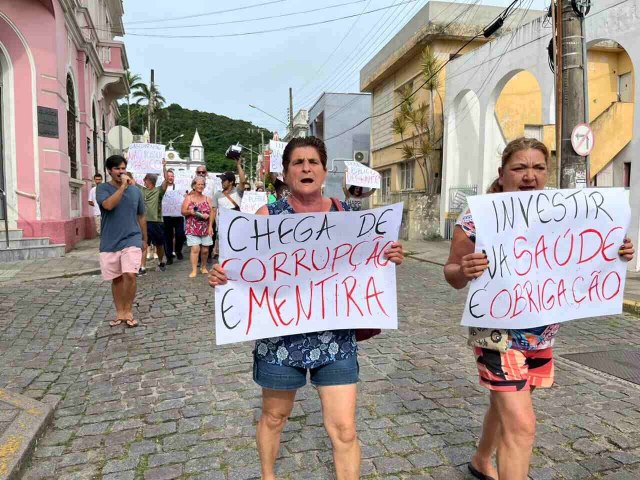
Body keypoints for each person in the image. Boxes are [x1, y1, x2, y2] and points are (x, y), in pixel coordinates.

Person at [207, 136, 405, 480]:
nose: (306, 168)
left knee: (344, 429)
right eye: (297, 163)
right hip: (281, 339)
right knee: (274, 417)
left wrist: (389, 257)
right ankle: (268, 475)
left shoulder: (349, 216)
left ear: (325, 170)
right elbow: (243, 266)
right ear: (285, 173)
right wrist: (224, 275)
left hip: (335, 340)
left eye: (312, 161)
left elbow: (370, 260)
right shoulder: (267, 216)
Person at [443, 137, 636, 480]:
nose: (529, 175)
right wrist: (465, 269)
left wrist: (614, 253)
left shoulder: (561, 212)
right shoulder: (478, 215)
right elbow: (452, 274)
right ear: (502, 174)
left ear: (547, 173)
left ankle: (480, 460)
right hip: (496, 333)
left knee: (505, 406)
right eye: (519, 167)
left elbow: (585, 251)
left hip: (542, 333)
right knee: (522, 425)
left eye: (538, 167)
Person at [96, 155, 146, 328]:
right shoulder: (102, 188)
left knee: (130, 275)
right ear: (110, 171)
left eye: (123, 168)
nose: (121, 171)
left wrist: (144, 238)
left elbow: (141, 215)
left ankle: (129, 311)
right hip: (110, 240)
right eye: (117, 168)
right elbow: (108, 205)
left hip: (132, 237)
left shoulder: (136, 191)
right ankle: (120, 313)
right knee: (117, 278)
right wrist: (123, 187)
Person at [137, 163, 170, 275]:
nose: (143, 180)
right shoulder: (141, 189)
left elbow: (166, 180)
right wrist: (129, 165)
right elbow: (131, 180)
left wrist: (164, 166)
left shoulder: (159, 190)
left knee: (159, 245)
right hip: (143, 221)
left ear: (148, 180)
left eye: (145, 179)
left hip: (156, 222)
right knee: (144, 244)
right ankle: (142, 267)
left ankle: (161, 261)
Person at [211, 161, 246, 258]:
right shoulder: (217, 194)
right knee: (224, 248)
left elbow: (243, 181)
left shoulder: (238, 192)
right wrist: (211, 226)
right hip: (223, 227)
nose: (222, 182)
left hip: (236, 225)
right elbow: (213, 211)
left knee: (236, 246)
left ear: (231, 182)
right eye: (222, 180)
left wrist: (238, 165)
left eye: (224, 180)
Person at [182, 176, 214, 278]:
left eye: (202, 184)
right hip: (192, 227)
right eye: (198, 184)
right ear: (194, 186)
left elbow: (212, 212)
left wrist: (210, 226)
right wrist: (190, 212)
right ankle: (194, 269)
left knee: (205, 250)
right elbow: (183, 211)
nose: (200, 186)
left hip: (205, 227)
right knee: (195, 249)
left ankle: (203, 266)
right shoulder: (188, 198)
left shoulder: (207, 198)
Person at [162, 168, 186, 265]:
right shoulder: (162, 188)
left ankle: (178, 250)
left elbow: (184, 197)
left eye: (172, 176)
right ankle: (169, 256)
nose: (170, 178)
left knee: (180, 234)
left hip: (178, 215)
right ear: (165, 177)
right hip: (166, 216)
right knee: (167, 236)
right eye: (168, 176)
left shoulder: (179, 187)